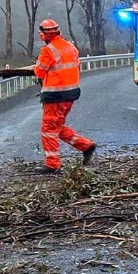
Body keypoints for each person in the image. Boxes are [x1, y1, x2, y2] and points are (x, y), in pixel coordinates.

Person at [32, 19, 96, 173]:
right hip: (70, 94)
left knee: (48, 129)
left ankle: (52, 164)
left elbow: (39, 72)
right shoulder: (70, 47)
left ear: (43, 35)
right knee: (56, 126)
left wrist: (37, 64)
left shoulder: (48, 50)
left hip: (55, 95)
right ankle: (85, 146)